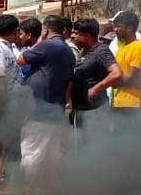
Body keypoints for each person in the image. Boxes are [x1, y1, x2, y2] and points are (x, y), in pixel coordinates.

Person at [17, 14, 76, 186]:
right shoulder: (68, 51)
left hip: (39, 109)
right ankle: (44, 193)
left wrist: (39, 41)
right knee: (50, 155)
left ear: (46, 30)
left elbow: (20, 59)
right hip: (54, 108)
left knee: (31, 153)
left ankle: (29, 194)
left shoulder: (47, 45)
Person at [69, 17, 121, 127]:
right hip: (82, 111)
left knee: (95, 144)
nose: (72, 36)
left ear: (87, 36)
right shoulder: (84, 52)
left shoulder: (101, 51)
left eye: (77, 33)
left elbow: (116, 74)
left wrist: (95, 89)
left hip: (96, 112)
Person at [110, 9, 141, 131]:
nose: (115, 30)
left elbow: (131, 77)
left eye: (119, 27)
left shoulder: (138, 47)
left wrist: (110, 83)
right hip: (119, 102)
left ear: (130, 28)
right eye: (115, 26)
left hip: (133, 104)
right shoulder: (122, 47)